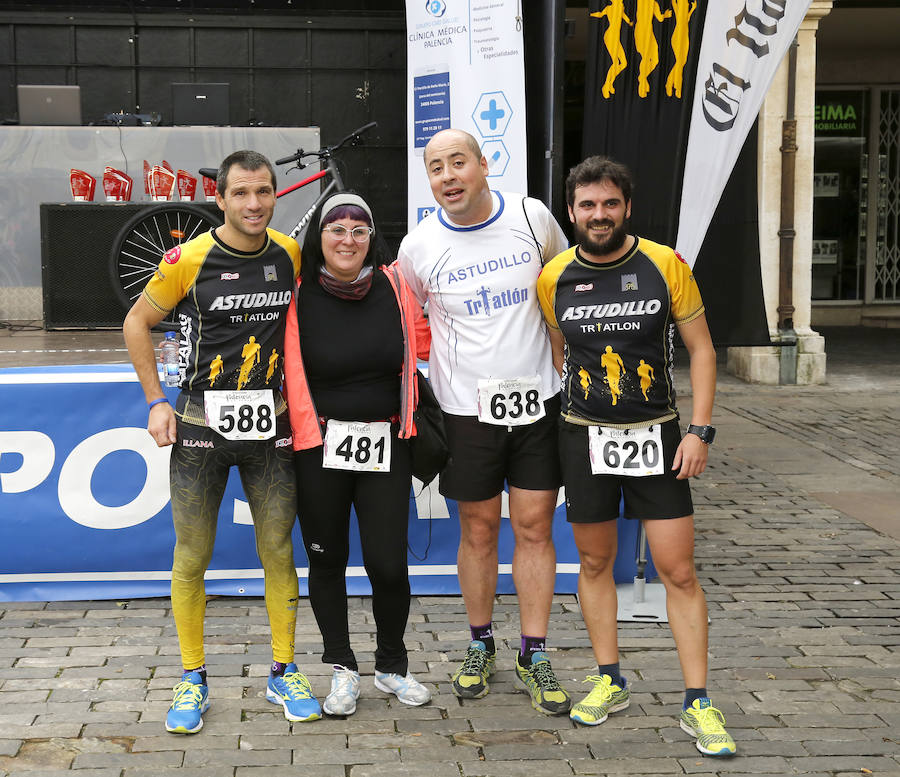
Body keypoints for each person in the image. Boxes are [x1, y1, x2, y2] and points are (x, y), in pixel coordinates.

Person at [536, 156, 735, 756]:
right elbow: (557, 353)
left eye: (610, 204)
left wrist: (700, 431)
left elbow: (701, 350)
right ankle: (609, 679)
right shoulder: (554, 277)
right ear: (571, 212)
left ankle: (698, 701)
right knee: (595, 565)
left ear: (627, 207)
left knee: (678, 570)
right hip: (584, 437)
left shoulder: (665, 264)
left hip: (659, 436)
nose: (600, 215)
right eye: (588, 206)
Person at [123, 150, 321, 734]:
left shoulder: (289, 253)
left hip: (272, 430)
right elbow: (137, 323)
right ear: (221, 198)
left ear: (276, 195)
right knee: (192, 556)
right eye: (241, 193)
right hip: (200, 429)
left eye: (263, 192)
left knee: (279, 552)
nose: (254, 204)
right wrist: (157, 401)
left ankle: (284, 670)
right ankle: (192, 677)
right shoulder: (189, 259)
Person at [398, 128, 572, 716]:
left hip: (537, 404)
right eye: (435, 167)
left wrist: (560, 349)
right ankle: (479, 643)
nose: (448, 176)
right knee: (477, 531)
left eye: (457, 163)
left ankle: (534, 649)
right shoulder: (418, 247)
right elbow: (408, 317)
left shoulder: (532, 217)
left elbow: (561, 285)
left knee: (533, 528)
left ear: (484, 163)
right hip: (465, 411)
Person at [283, 193, 432, 715]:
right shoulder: (296, 294)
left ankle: (392, 666)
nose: (348, 239)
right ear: (318, 238)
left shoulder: (395, 287)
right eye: (337, 229)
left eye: (359, 230)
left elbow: (433, 341)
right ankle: (342, 669)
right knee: (327, 561)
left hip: (387, 443)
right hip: (319, 446)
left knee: (388, 565)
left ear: (372, 237)